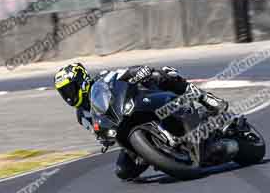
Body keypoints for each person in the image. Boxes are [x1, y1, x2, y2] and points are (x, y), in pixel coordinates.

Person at [54, 63, 228, 180]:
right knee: (123, 171)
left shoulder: (103, 78)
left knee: (163, 74)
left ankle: (205, 98)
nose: (68, 96)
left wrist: (139, 71)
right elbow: (96, 130)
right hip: (124, 128)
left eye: (70, 89)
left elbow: (124, 74)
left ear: (81, 80)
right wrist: (104, 137)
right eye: (64, 93)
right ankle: (159, 154)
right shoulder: (81, 115)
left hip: (142, 100)